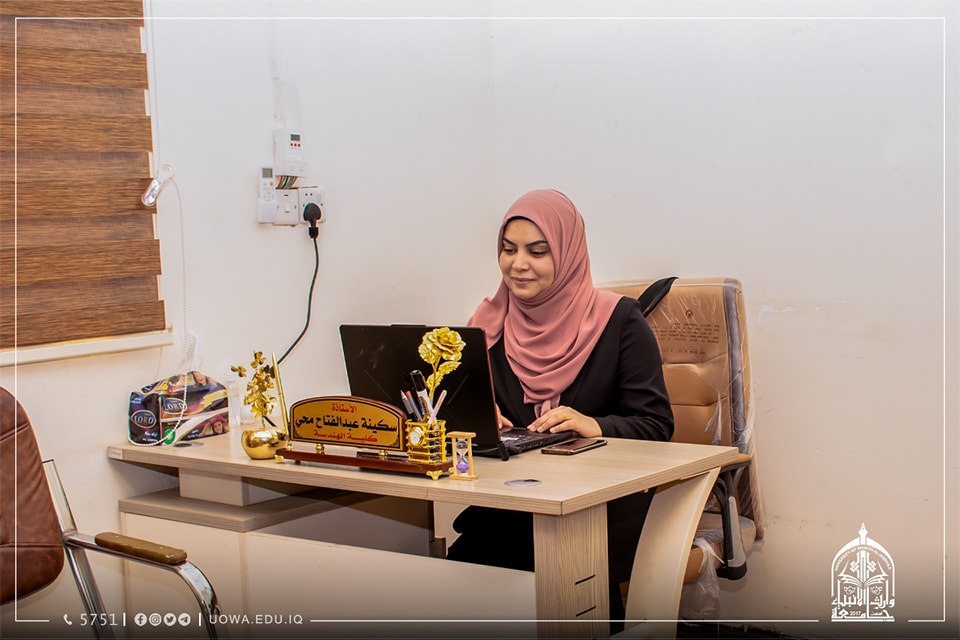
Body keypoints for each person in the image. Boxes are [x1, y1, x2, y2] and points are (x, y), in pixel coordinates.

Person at [445, 188, 675, 622]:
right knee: (455, 586)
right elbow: (455, 418)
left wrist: (595, 425)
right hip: (509, 510)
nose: (518, 264)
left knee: (553, 588)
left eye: (537, 251)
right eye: (508, 249)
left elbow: (657, 424)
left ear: (568, 254)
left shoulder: (620, 321)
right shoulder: (487, 326)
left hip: (594, 513)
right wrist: (474, 419)